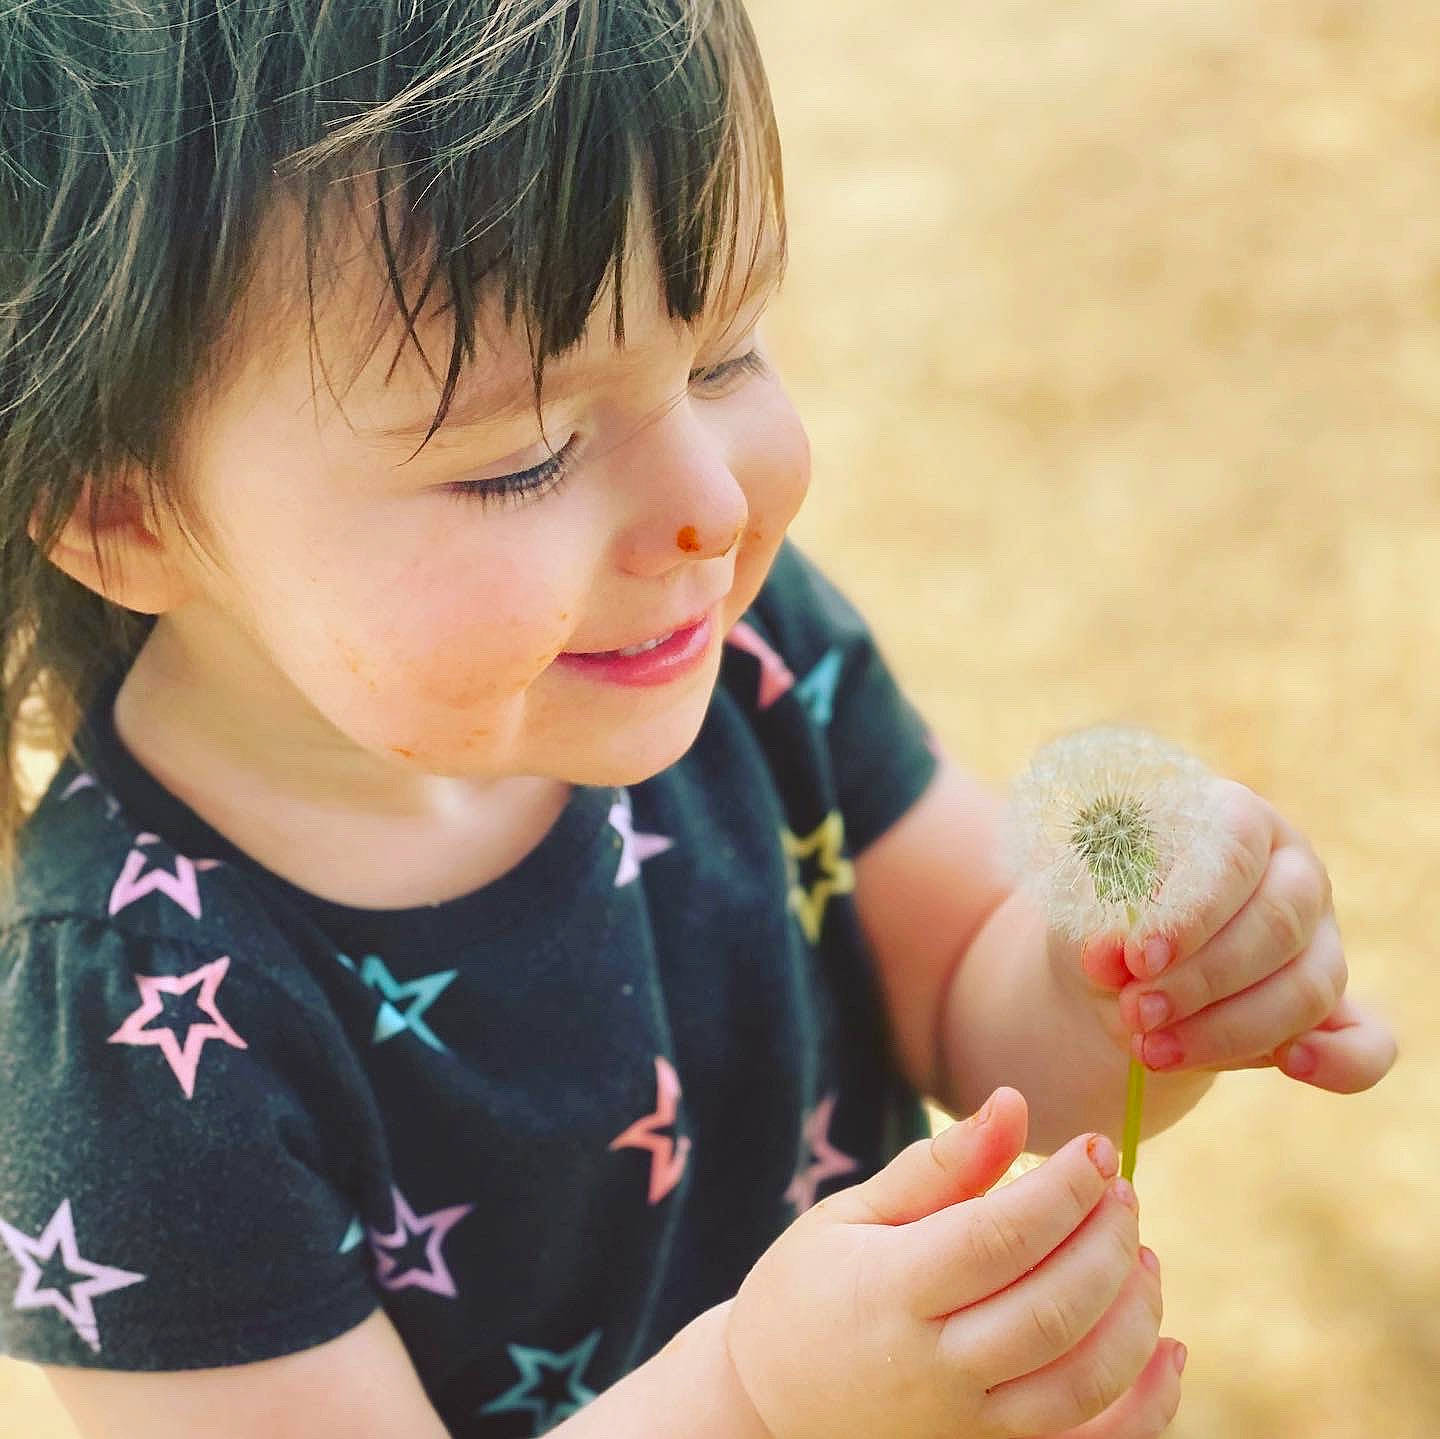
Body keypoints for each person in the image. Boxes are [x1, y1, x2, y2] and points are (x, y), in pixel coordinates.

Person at [0, 3, 1395, 1437]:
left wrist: (1127, 981)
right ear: (123, 514)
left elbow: (983, 1010)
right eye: (526, 457)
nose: (711, 510)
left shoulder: (735, 649)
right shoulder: (123, 1044)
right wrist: (754, 1400)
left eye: (724, 355)